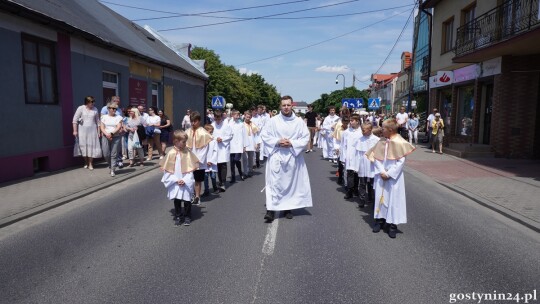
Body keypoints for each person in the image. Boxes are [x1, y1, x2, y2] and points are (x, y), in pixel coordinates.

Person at [260, 95, 312, 222]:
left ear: (292, 106)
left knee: (290, 183)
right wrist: (277, 141)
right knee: (273, 183)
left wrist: (292, 143)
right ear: (280, 106)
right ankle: (270, 211)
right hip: (277, 154)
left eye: (288, 105)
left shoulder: (299, 121)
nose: (286, 107)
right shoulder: (273, 121)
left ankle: (287, 208)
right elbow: (264, 135)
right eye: (284, 105)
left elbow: (305, 137)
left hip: (292, 156)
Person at [366, 119, 415, 238]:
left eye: (383, 128)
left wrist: (389, 174)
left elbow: (400, 161)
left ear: (390, 130)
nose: (381, 130)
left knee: (394, 200)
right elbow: (375, 157)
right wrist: (382, 171)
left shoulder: (400, 142)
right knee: (380, 198)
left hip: (393, 177)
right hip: (381, 174)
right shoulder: (381, 141)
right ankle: (379, 221)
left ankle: (392, 225)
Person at [160, 130, 200, 226]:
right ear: (176, 141)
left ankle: (187, 216)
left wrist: (185, 180)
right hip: (175, 181)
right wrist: (176, 180)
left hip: (185, 180)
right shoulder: (171, 153)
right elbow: (167, 171)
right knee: (177, 199)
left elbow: (190, 170)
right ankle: (178, 215)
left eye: (185, 141)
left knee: (187, 199)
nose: (185, 143)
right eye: (183, 142)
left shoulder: (187, 153)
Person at [185, 111, 213, 205]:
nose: (193, 123)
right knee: (189, 179)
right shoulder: (187, 132)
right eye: (192, 121)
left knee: (197, 179)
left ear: (199, 121)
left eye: (195, 121)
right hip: (188, 159)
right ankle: (191, 195)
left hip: (199, 160)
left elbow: (205, 148)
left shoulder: (203, 133)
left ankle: (197, 196)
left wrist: (198, 160)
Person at [72, 96, 101, 170]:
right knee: (83, 147)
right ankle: (86, 162)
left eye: (94, 102)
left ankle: (91, 163)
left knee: (91, 147)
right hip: (82, 131)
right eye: (92, 102)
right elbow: (75, 120)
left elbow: (98, 122)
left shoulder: (95, 109)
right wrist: (75, 131)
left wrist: (99, 132)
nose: (93, 103)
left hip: (92, 131)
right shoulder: (81, 108)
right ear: (87, 102)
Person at [356, 122, 380, 208]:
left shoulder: (376, 140)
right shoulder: (360, 140)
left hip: (372, 164)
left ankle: (372, 199)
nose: (362, 132)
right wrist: (356, 165)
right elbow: (357, 154)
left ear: (370, 130)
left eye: (364, 130)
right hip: (363, 163)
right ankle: (362, 200)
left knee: (372, 183)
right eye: (362, 130)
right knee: (362, 183)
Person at [211, 109, 233, 192]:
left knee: (223, 164)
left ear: (222, 117)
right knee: (217, 165)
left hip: (223, 148)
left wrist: (222, 139)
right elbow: (210, 135)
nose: (217, 121)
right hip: (215, 147)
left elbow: (230, 135)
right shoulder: (212, 125)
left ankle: (223, 182)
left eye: (219, 119)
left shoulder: (226, 125)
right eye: (216, 119)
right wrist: (215, 139)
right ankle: (220, 181)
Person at [342, 114, 363, 199]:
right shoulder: (347, 132)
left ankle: (356, 189)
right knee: (350, 173)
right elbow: (343, 145)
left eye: (352, 121)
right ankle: (349, 191)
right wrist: (343, 157)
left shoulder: (362, 131)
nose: (350, 122)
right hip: (349, 155)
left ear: (357, 121)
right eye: (350, 120)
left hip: (358, 155)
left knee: (357, 173)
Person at [100, 102, 123, 177]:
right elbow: (102, 127)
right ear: (108, 109)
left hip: (115, 136)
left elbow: (118, 127)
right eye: (113, 108)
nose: (114, 110)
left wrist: (112, 134)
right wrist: (106, 134)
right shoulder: (104, 117)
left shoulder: (118, 117)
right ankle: (111, 165)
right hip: (105, 136)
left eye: (115, 109)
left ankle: (113, 169)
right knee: (106, 153)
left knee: (114, 154)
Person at [228, 109, 247, 183]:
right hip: (231, 145)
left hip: (239, 145)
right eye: (236, 114)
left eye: (238, 115)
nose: (237, 116)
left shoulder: (241, 124)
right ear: (232, 115)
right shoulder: (229, 124)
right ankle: (233, 177)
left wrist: (244, 145)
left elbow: (244, 135)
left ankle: (240, 173)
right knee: (232, 163)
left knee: (236, 160)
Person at [333, 116, 350, 185]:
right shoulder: (338, 128)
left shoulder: (350, 129)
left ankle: (347, 179)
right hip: (340, 146)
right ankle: (340, 178)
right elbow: (335, 138)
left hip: (348, 147)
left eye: (347, 123)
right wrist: (336, 148)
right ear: (342, 122)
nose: (346, 124)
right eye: (344, 123)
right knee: (340, 163)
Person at [242, 110, 260, 177]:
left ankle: (250, 170)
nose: (248, 118)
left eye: (249, 117)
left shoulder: (252, 124)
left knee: (251, 158)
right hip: (244, 143)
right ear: (244, 116)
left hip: (251, 142)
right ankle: (245, 171)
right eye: (247, 117)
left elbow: (256, 134)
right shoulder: (242, 124)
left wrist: (257, 143)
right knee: (244, 158)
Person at [202, 124, 218, 196]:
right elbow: (201, 153)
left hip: (212, 162)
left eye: (211, 132)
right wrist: (205, 161)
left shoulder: (214, 141)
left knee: (213, 176)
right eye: (209, 132)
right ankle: (206, 190)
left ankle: (215, 188)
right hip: (205, 162)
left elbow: (215, 151)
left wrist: (211, 161)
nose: (210, 133)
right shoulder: (202, 141)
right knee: (205, 177)